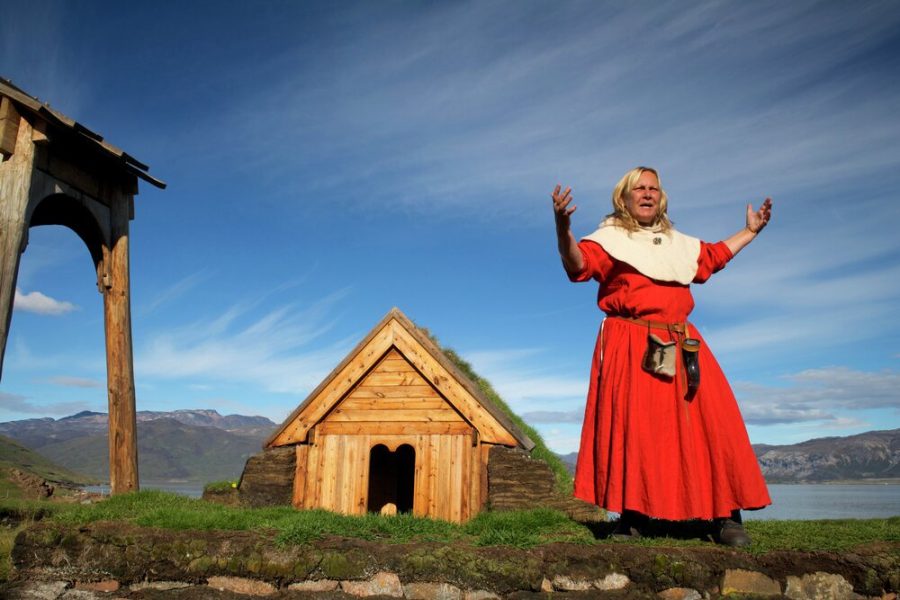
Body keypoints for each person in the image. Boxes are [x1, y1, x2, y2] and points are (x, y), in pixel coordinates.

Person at [552, 166, 772, 547]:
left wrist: (750, 231)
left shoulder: (679, 244)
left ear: (662, 196)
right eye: (639, 188)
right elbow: (579, 265)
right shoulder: (608, 241)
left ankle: (725, 516)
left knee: (713, 422)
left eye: (654, 188)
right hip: (630, 340)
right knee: (636, 428)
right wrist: (562, 229)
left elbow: (715, 255)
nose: (648, 193)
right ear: (624, 197)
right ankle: (632, 516)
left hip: (683, 340)